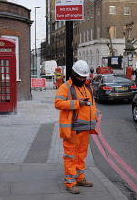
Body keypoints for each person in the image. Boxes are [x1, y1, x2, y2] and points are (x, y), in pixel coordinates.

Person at [54, 60, 98, 194]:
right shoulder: (65, 87)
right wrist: (76, 103)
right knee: (71, 156)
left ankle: (79, 178)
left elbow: (92, 105)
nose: (81, 79)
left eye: (83, 77)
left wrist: (94, 118)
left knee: (81, 155)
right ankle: (70, 182)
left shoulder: (88, 87)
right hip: (71, 129)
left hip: (85, 129)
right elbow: (58, 103)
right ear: (73, 74)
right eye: (79, 77)